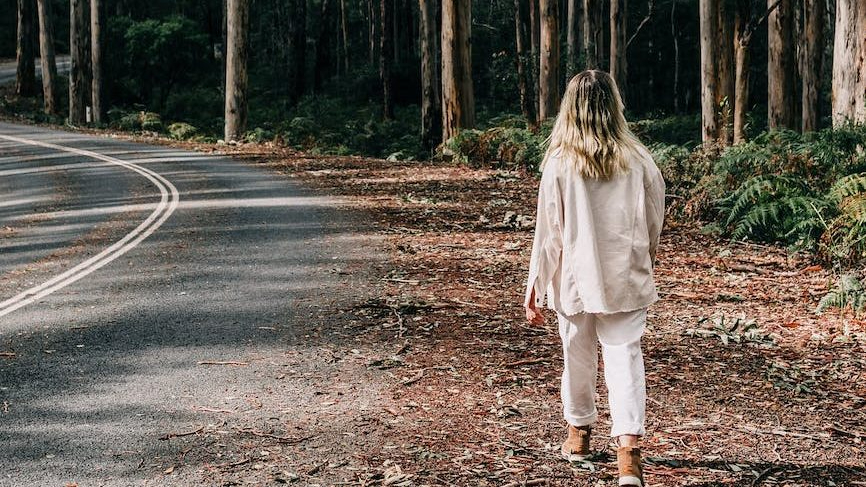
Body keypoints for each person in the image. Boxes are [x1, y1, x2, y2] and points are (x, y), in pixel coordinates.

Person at [523, 70, 665, 487]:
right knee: (625, 358)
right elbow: (654, 218)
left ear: (569, 109)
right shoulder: (639, 160)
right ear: (613, 105)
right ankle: (629, 457)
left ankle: (579, 434)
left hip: (573, 278)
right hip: (625, 275)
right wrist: (645, 259)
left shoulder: (560, 164)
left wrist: (536, 284)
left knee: (577, 356)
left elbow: (549, 232)